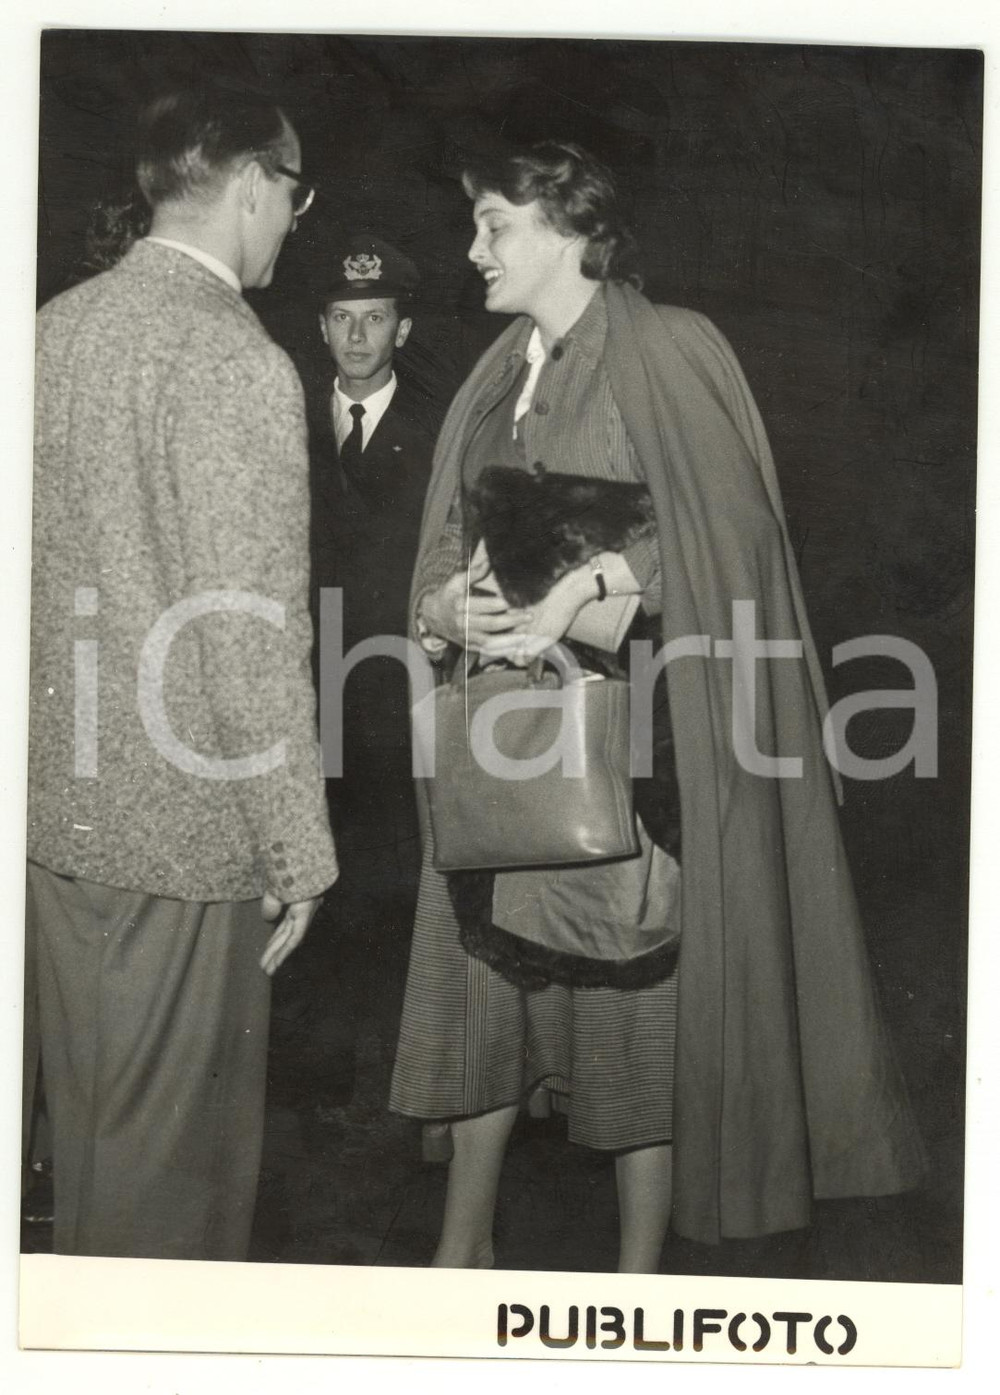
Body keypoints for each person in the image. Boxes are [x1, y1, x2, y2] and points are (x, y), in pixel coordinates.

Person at [389, 141, 926, 1271]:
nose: (472, 248)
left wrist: (589, 590)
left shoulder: (670, 346)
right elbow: (446, 534)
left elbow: (724, 547)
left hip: (631, 746)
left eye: (494, 224)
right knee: (484, 990)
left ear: (570, 226)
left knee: (633, 1004)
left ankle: (636, 1289)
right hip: (498, 737)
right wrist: (447, 601)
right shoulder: (496, 373)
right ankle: (457, 1257)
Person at [27, 85, 339, 1260]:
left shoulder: (56, 327)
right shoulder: (235, 362)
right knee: (169, 1209)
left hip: (54, 823)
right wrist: (297, 849)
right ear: (257, 184)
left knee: (86, 1159)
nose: (292, 225)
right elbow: (245, 633)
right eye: (294, 199)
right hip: (182, 840)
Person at [309, 236, 438, 899]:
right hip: (304, 696)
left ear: (403, 329)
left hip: (396, 698)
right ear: (321, 325)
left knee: (391, 887)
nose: (357, 334)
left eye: (376, 316)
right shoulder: (287, 418)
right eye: (341, 316)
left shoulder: (439, 434)